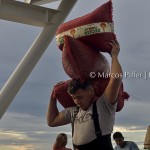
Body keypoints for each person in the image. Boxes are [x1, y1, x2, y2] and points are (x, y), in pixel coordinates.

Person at [47, 40, 122, 150]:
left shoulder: (104, 105)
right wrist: (52, 97)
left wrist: (114, 55)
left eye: (80, 97)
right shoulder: (73, 111)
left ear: (91, 90)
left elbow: (115, 78)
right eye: (74, 98)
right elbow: (51, 121)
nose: (77, 101)